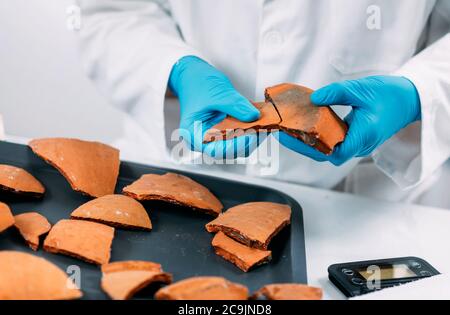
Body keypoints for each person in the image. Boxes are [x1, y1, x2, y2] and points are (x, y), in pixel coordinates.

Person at [77, 0, 450, 209]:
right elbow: (110, 11)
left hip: (363, 199)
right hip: (168, 175)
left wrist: (417, 93)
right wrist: (174, 69)